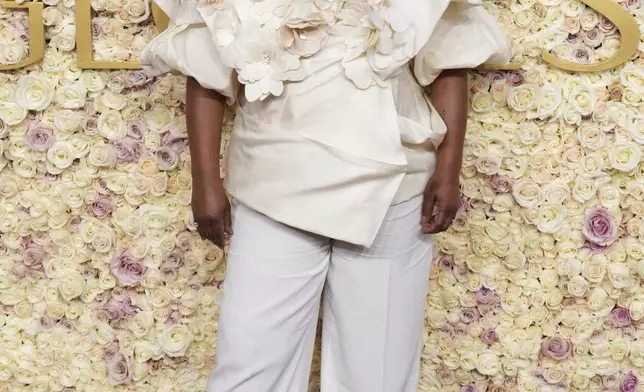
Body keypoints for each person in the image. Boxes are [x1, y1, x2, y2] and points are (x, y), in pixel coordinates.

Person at [141, 0, 511, 390]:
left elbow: (447, 59)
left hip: (395, 183)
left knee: (378, 374)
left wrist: (448, 169)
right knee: (250, 369)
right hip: (273, 178)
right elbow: (205, 69)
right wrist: (205, 181)